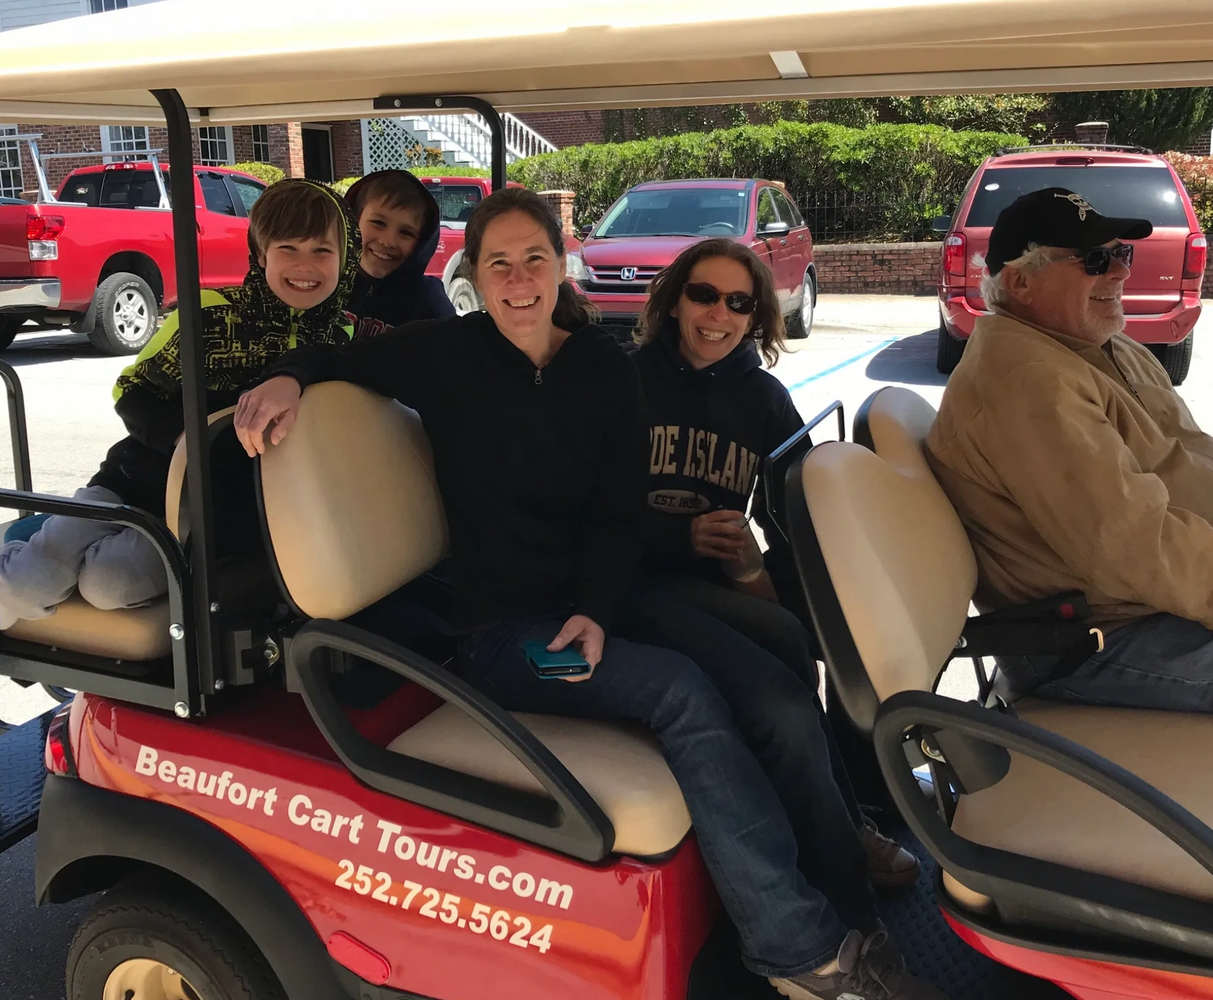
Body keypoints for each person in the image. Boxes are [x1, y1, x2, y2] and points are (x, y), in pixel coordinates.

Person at [235, 188, 942, 1000]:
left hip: (605, 602)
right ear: (473, 274)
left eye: (533, 258)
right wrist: (289, 376)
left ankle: (852, 918)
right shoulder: (441, 353)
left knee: (779, 689)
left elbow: (616, 511)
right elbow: (335, 359)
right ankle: (797, 952)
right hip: (503, 637)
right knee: (681, 693)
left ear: (560, 265)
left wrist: (598, 611)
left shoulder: (600, 366)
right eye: (497, 263)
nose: (518, 279)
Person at [0, 179, 359, 643]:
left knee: (109, 584)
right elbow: (132, 389)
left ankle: (71, 570)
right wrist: (182, 439)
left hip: (209, 514)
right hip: (133, 480)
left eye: (322, 251)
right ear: (260, 255)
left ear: (345, 258)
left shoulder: (346, 340)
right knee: (27, 584)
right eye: (288, 249)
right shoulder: (209, 315)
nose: (305, 266)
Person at [633, 238, 919, 889]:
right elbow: (583, 510)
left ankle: (858, 801)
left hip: (714, 588)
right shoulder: (625, 382)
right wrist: (680, 540)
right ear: (674, 301)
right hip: (634, 583)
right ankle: (841, 850)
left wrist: (761, 575)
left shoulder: (761, 398)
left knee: (831, 639)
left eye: (739, 302)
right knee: (783, 677)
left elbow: (795, 510)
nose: (719, 314)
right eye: (703, 294)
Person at [926, 186, 1213, 711]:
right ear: (1020, 282)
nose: (1121, 272)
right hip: (1096, 640)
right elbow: (1130, 543)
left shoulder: (1103, 346)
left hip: (1155, 603)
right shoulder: (1029, 381)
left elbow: (1187, 453)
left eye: (1121, 254)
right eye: (1096, 260)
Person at [343, 169, 454, 338]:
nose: (388, 241)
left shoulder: (429, 303)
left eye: (406, 233)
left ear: (421, 243)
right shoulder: (322, 284)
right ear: (353, 220)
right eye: (378, 223)